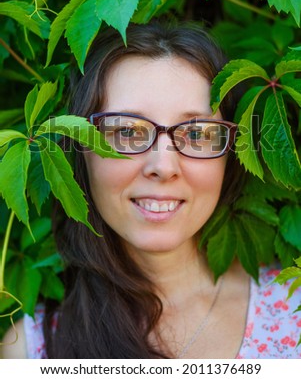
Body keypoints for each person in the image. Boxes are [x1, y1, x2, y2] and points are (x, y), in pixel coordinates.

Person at [1, 21, 301, 359]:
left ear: (231, 156)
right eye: (127, 132)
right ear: (78, 150)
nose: (164, 166)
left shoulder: (294, 308)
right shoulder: (28, 350)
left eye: (198, 134)